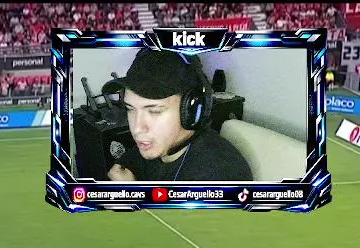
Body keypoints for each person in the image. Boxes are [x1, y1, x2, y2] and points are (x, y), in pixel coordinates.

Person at [101, 49, 252, 182]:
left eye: (154, 111)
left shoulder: (222, 177)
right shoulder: (156, 143)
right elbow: (127, 163)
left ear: (191, 109)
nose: (137, 128)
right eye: (131, 109)